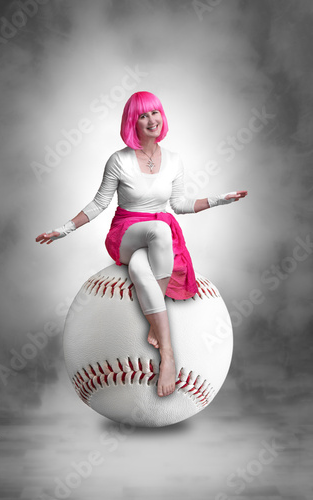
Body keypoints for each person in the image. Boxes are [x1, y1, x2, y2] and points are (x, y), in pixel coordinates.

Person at [36, 91, 248, 398]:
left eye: (155, 113)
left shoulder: (174, 160)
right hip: (125, 232)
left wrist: (218, 200)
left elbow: (180, 204)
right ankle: (170, 354)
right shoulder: (118, 160)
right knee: (160, 230)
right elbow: (99, 203)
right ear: (131, 123)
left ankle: (158, 331)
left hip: (155, 237)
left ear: (163, 116)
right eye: (143, 115)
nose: (151, 120)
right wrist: (64, 229)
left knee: (140, 266)